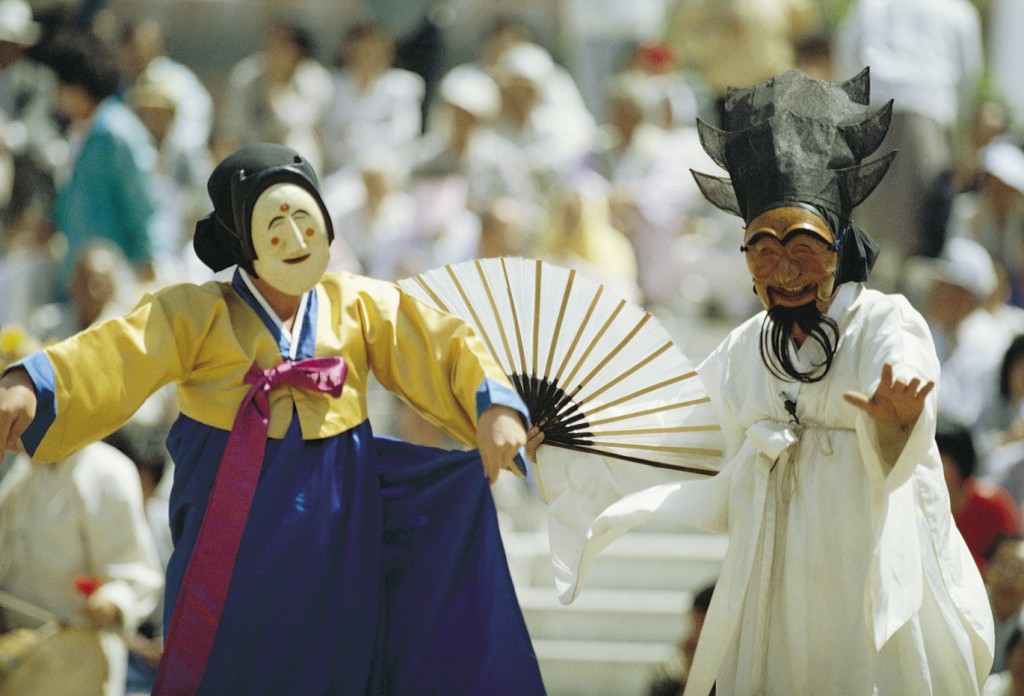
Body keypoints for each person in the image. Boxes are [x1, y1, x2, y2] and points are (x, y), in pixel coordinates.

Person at [0, 142, 545, 695]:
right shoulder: (196, 312)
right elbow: (117, 352)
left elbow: (442, 346)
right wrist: (32, 385)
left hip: (338, 530)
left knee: (343, 665)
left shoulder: (358, 304)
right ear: (244, 240)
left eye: (305, 220)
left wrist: (495, 404)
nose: (296, 239)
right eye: (276, 226)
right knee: (227, 668)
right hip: (231, 539)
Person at [532, 68, 994, 694]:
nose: (786, 271)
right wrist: (574, 434)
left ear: (839, 248)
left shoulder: (883, 320)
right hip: (772, 579)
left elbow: (905, 375)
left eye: (803, 249)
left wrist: (898, 421)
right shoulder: (747, 348)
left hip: (859, 568)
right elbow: (673, 424)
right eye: (764, 252)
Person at [41, 29, 161, 293]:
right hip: (81, 280)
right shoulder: (81, 131)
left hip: (115, 280)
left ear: (77, 85)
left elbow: (142, 202)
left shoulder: (116, 131)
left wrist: (148, 260)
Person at [937, 418, 1020, 570]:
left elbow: (1012, 560)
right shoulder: (912, 507)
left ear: (959, 461)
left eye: (938, 460)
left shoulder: (993, 506)